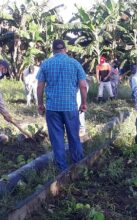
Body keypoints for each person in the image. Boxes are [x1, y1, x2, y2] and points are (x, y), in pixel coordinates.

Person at [36, 39, 88, 171]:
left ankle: (62, 169)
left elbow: (40, 87)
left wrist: (40, 104)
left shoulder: (46, 64)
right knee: (74, 136)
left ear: (53, 50)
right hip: (70, 107)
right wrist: (83, 103)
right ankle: (78, 166)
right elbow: (83, 86)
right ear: (65, 49)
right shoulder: (75, 63)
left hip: (52, 108)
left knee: (57, 139)